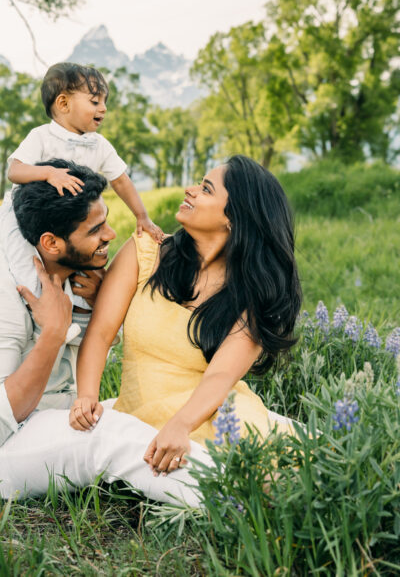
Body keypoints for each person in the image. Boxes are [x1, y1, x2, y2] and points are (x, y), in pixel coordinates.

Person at [0, 159, 206, 505]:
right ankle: (232, 497)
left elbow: (84, 375)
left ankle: (272, 464)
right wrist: (53, 333)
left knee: (159, 404)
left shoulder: (71, 278)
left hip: (59, 415)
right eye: (95, 230)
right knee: (108, 436)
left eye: (106, 221)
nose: (110, 234)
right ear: (51, 243)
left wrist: (99, 310)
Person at [70, 155, 302, 475]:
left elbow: (221, 376)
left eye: (205, 189)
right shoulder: (146, 251)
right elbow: (100, 332)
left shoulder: (253, 293)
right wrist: (86, 396)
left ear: (233, 218)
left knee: (270, 476)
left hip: (209, 416)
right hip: (139, 417)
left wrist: (180, 425)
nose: (190, 190)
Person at [0, 63, 164, 331]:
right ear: (63, 103)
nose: (104, 108)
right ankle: (34, 307)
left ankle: (81, 316)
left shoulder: (99, 144)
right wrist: (48, 173)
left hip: (71, 224)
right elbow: (15, 170)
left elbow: (120, 180)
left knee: (89, 260)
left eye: (105, 101)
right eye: (95, 101)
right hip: (22, 216)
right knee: (24, 259)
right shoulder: (41, 136)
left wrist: (142, 216)